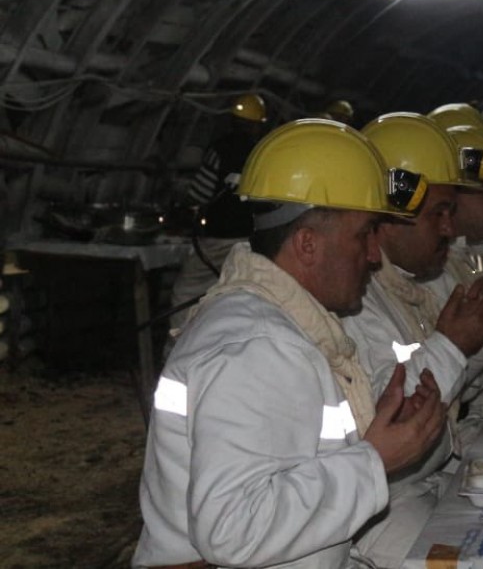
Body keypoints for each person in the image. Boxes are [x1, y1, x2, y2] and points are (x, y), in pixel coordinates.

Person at [135, 119, 447, 569]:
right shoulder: (258, 347)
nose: (374, 256)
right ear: (307, 244)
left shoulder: (280, 326)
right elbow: (233, 529)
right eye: (363, 235)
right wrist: (374, 460)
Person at [349, 113, 483, 566]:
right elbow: (395, 423)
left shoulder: (413, 275)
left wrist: (479, 342)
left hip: (418, 482)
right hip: (379, 510)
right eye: (440, 211)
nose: (451, 227)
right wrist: (472, 345)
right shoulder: (351, 298)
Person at [167, 92, 268, 342]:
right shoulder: (264, 153)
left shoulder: (220, 149)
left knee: (186, 292)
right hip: (253, 241)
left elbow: (200, 193)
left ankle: (178, 348)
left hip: (219, 238)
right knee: (242, 295)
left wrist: (183, 206)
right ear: (257, 124)